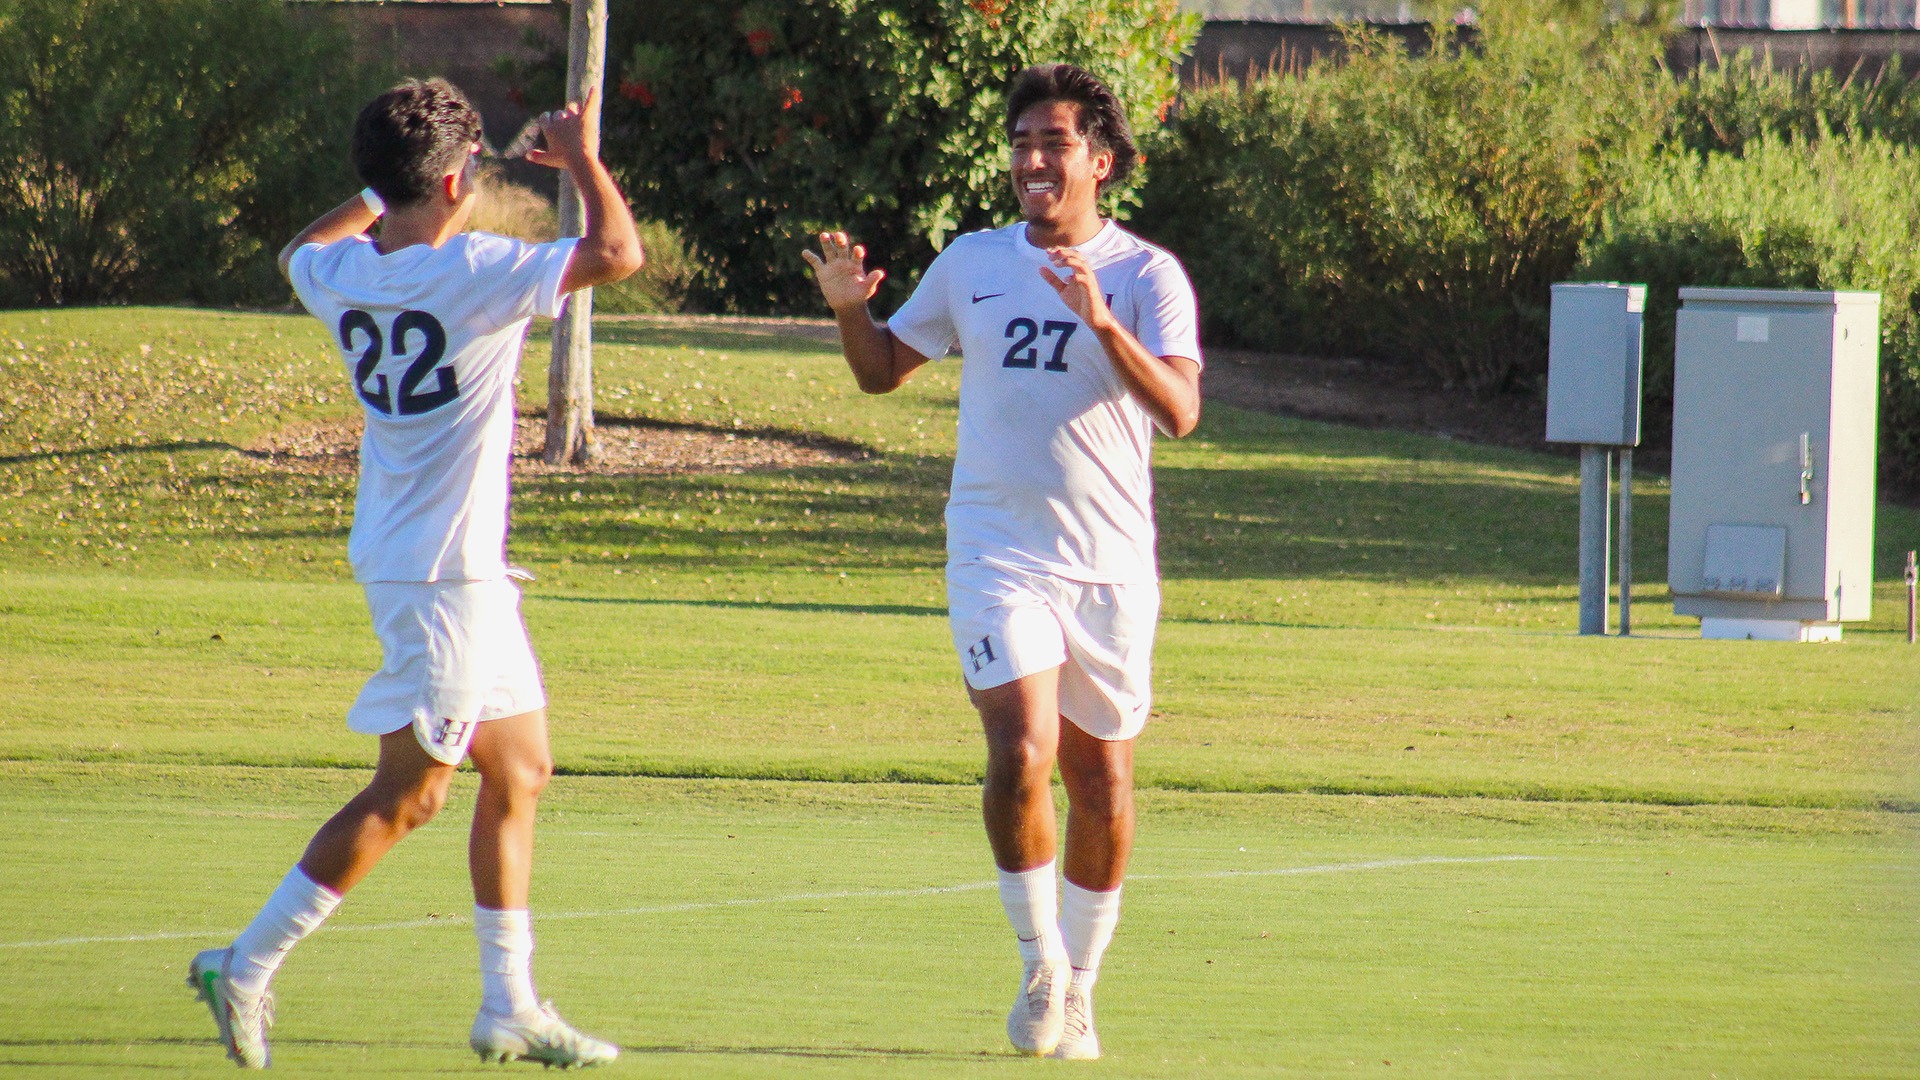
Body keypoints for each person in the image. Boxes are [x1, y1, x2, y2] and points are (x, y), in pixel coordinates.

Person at [186, 78, 641, 1070]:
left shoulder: (343, 269)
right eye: (468, 168)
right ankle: (245, 966)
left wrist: (382, 191)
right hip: (441, 578)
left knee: (519, 769)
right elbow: (618, 254)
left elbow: (296, 250)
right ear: (452, 181)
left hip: (443, 567)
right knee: (414, 792)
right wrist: (581, 160)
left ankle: (509, 1005)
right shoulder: (476, 267)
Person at [802, 62, 1202, 1060]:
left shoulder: (1147, 276)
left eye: (1054, 143)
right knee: (1021, 750)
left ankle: (1084, 984)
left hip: (1109, 566)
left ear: (1100, 161)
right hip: (996, 552)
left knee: (1102, 783)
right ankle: (1040, 961)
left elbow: (1181, 411)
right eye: (1021, 142)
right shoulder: (972, 261)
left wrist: (1102, 323)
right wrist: (849, 309)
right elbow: (882, 372)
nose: (1032, 159)